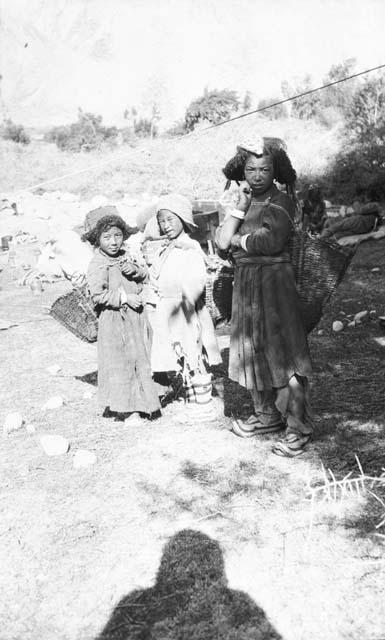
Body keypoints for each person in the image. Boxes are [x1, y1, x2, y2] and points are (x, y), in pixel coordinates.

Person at [216, 138, 313, 456]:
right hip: (246, 283)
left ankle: (297, 427)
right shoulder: (242, 201)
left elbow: (271, 241)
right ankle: (266, 414)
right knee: (250, 347)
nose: (257, 176)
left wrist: (239, 241)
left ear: (275, 171)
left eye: (264, 169)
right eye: (251, 169)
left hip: (274, 282)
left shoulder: (281, 201)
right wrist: (240, 209)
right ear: (243, 172)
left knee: (284, 351)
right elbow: (220, 242)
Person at [146, 193, 221, 405]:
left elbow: (194, 283)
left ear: (183, 220)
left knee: (191, 350)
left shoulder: (190, 249)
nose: (166, 225)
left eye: (171, 220)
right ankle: (186, 392)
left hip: (184, 308)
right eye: (162, 221)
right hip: (166, 307)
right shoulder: (164, 249)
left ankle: (199, 399)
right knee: (174, 352)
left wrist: (188, 310)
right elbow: (155, 276)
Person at [85, 214, 160, 424]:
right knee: (121, 364)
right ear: (97, 239)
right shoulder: (98, 263)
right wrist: (125, 298)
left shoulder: (127, 255)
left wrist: (135, 271)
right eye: (107, 237)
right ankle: (128, 410)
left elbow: (146, 275)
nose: (114, 241)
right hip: (114, 322)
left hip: (135, 319)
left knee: (139, 359)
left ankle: (145, 402)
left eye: (118, 235)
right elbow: (97, 295)